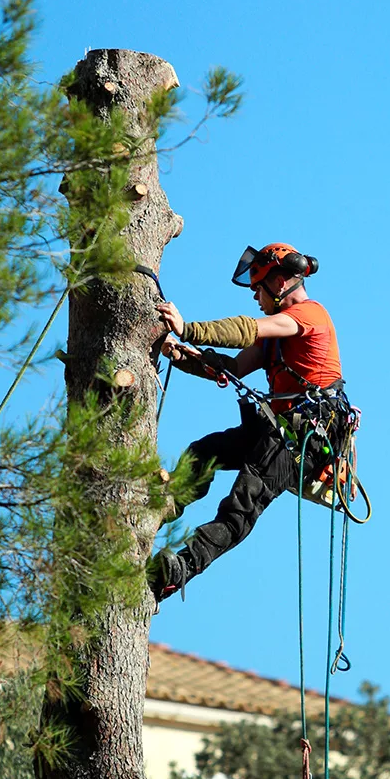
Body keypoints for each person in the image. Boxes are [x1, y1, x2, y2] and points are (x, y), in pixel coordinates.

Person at [149, 242, 346, 603]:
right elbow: (235, 367)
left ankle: (181, 570)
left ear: (281, 281)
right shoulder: (276, 338)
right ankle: (160, 506)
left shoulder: (308, 315)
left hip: (306, 435)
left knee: (243, 501)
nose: (255, 296)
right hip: (278, 429)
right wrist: (188, 357)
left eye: (258, 287)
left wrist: (188, 328)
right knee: (204, 452)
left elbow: (245, 329)